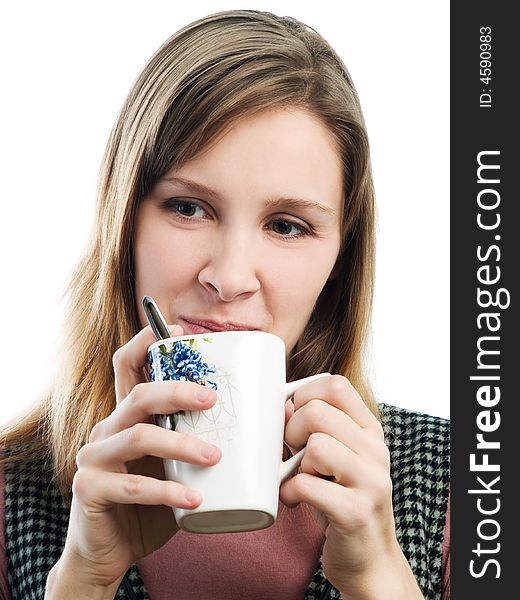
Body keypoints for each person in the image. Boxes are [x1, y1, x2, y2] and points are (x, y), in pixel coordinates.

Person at [0, 9, 449, 600]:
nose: (231, 277)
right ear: (124, 222)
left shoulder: (460, 486)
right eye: (188, 208)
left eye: (287, 226)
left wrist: (379, 577)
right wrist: (83, 578)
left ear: (341, 257)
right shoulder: (15, 498)